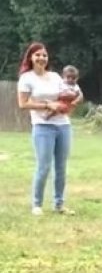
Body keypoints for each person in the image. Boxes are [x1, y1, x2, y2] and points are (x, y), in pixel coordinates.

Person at [16, 42, 79, 216]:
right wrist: (47, 105)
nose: (41, 58)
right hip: (43, 127)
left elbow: (66, 93)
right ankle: (37, 204)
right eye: (37, 55)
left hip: (63, 126)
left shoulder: (55, 77)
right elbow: (23, 104)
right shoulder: (26, 78)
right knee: (44, 166)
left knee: (61, 167)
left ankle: (59, 204)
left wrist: (71, 101)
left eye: (44, 55)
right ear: (30, 57)